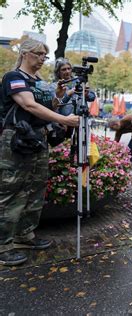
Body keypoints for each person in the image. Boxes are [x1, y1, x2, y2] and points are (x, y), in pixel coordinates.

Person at [0, 39, 79, 266]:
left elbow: (47, 107)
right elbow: (29, 105)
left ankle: (25, 235)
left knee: (35, 188)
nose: (44, 59)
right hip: (16, 140)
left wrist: (57, 97)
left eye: (45, 55)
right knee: (10, 190)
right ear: (25, 53)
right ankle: (3, 245)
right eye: (39, 54)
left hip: (37, 138)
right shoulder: (13, 77)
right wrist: (64, 119)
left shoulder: (39, 81)